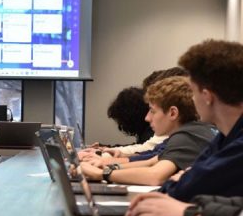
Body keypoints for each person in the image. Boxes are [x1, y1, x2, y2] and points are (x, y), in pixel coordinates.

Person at [80, 76, 215, 186]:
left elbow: (154, 176)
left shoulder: (188, 137)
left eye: (152, 111)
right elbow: (150, 162)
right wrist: (104, 166)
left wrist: (102, 174)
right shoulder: (189, 132)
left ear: (173, 113)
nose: (147, 118)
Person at [160, 39, 243, 201]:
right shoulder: (224, 137)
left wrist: (182, 178)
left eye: (192, 91)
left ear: (207, 96)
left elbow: (181, 192)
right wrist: (183, 178)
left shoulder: (238, 146)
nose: (191, 99)